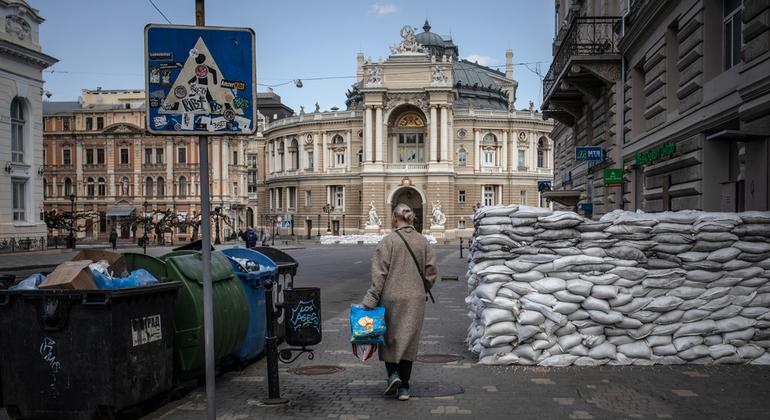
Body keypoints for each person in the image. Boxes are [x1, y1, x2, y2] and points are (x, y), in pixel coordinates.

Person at [361, 203, 438, 401]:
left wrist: (370, 300)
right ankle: (404, 387)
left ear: (395, 218)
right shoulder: (423, 242)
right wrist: (423, 288)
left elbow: (379, 275)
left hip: (390, 297)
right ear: (411, 218)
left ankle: (392, 375)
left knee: (389, 339)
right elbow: (431, 272)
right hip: (415, 299)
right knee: (408, 341)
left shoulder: (388, 241)